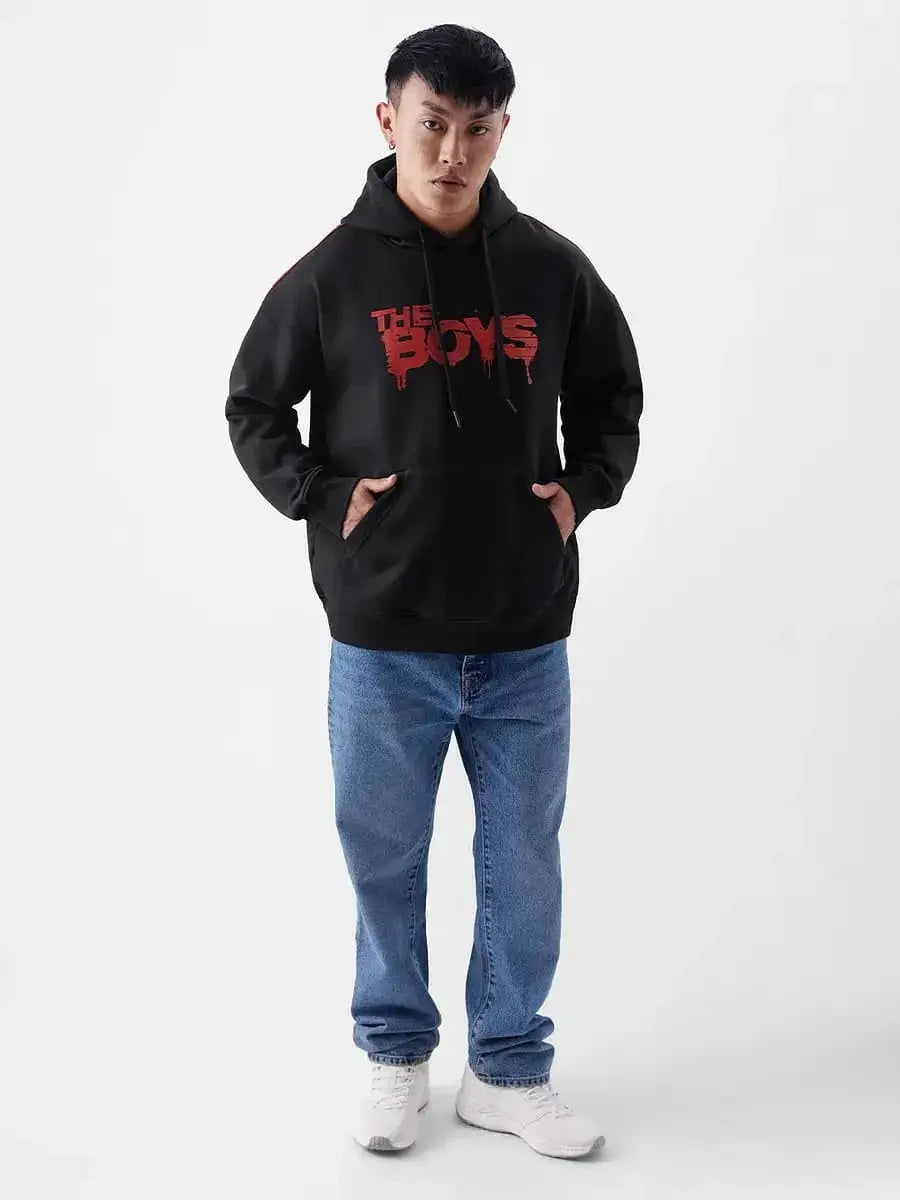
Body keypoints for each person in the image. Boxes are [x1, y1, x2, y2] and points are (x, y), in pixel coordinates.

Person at [225, 23, 643, 1159]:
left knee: (522, 863)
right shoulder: (332, 273)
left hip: (523, 630)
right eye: (432, 125)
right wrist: (320, 494)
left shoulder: (551, 267)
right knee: (385, 858)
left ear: (503, 131)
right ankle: (396, 1057)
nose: (453, 152)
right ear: (389, 121)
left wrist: (581, 492)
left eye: (477, 130)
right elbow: (253, 404)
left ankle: (507, 1069)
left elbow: (614, 396)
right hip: (383, 632)